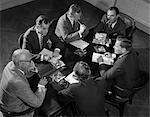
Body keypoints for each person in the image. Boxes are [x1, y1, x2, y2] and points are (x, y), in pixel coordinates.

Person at [0, 49, 48, 117]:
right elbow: (37, 103)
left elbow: (21, 72)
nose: (32, 63)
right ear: (21, 63)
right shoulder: (17, 82)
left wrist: (30, 69)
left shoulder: (10, 64)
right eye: (30, 61)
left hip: (6, 100)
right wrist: (41, 85)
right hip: (16, 110)